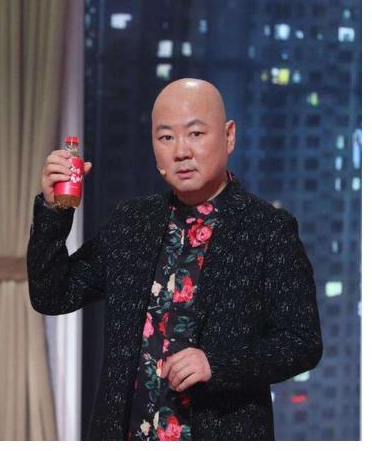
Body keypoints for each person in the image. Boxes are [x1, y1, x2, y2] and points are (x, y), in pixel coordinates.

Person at [26, 78, 323, 440]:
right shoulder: (133, 222)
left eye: (195, 133)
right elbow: (53, 295)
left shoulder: (267, 229)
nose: (181, 151)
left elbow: (302, 342)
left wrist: (217, 365)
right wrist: (54, 210)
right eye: (166, 137)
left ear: (229, 136)